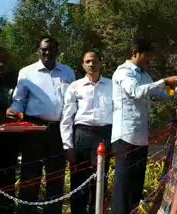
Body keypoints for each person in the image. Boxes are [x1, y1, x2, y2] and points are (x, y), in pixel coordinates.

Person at [112, 38, 177, 214]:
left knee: (136, 186)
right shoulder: (123, 72)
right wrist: (165, 81)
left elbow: (160, 93)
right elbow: (136, 92)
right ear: (135, 52)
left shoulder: (144, 74)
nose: (149, 60)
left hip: (142, 137)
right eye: (147, 56)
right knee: (124, 187)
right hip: (125, 137)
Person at [6, 36, 75, 214]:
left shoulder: (68, 72)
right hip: (34, 129)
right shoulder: (27, 72)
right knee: (30, 176)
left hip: (59, 130)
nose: (47, 52)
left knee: (56, 176)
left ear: (56, 51)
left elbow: (72, 101)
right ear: (38, 50)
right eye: (44, 49)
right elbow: (19, 100)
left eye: (51, 49)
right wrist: (13, 110)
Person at [60, 50, 112, 214]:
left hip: (105, 135)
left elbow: (119, 113)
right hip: (82, 135)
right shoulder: (74, 87)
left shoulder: (112, 86)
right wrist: (68, 146)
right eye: (88, 61)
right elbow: (67, 117)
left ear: (101, 63)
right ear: (83, 64)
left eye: (94, 60)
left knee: (100, 183)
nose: (91, 64)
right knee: (79, 183)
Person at [0, 46, 18, 214]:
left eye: (5, 61)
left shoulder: (15, 81)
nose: (2, 65)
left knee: (7, 182)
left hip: (8, 143)